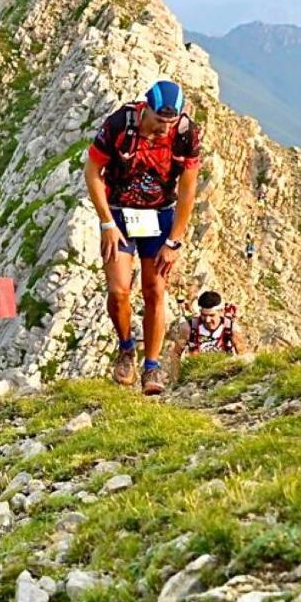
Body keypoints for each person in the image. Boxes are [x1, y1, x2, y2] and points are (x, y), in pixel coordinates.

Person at [84, 80, 202, 395]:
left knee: (154, 289)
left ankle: (151, 367)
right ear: (146, 107)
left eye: (171, 121)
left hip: (160, 215)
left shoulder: (186, 134)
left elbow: (189, 189)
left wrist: (174, 241)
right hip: (119, 213)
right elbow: (92, 171)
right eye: (159, 120)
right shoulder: (120, 124)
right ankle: (126, 348)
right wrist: (106, 223)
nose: (165, 127)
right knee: (119, 290)